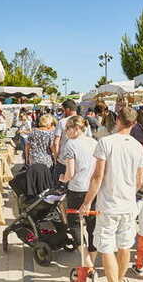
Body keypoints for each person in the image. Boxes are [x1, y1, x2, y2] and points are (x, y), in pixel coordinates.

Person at [79, 107, 143, 282]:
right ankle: (120, 278)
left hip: (108, 205)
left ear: (117, 120)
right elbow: (139, 181)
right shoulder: (138, 147)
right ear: (135, 124)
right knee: (124, 246)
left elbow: (97, 177)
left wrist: (87, 202)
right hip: (129, 204)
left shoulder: (105, 142)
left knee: (107, 247)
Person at [59, 116, 99, 273]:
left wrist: (63, 178)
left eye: (67, 128)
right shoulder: (94, 142)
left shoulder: (70, 144)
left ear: (76, 128)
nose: (66, 132)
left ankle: (87, 262)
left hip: (77, 189)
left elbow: (70, 172)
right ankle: (91, 265)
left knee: (74, 223)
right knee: (92, 225)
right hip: (94, 189)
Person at [54, 100, 90, 173]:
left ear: (67, 109)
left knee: (61, 182)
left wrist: (56, 156)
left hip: (64, 160)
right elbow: (89, 138)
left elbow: (56, 142)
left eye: (63, 110)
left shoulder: (62, 122)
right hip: (81, 159)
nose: (63, 112)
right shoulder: (84, 121)